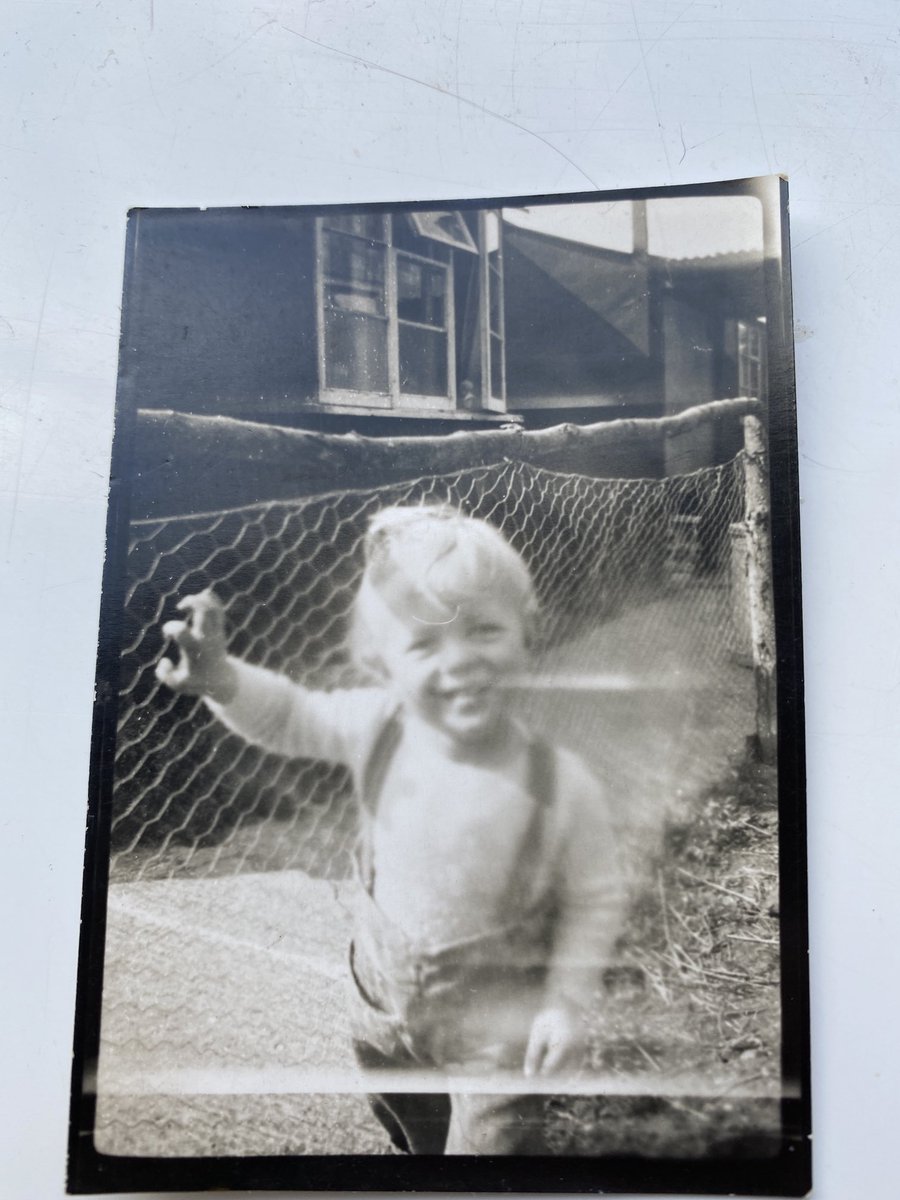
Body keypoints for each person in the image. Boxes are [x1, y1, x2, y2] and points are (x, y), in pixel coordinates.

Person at [156, 504, 625, 1155]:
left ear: (529, 631)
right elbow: (289, 714)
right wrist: (222, 679)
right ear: (382, 662)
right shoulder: (376, 726)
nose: (457, 661)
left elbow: (593, 898)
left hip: (496, 1031)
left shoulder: (558, 782)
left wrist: (565, 1001)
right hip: (381, 1005)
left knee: (492, 1157)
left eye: (484, 630)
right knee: (409, 1130)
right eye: (425, 643)